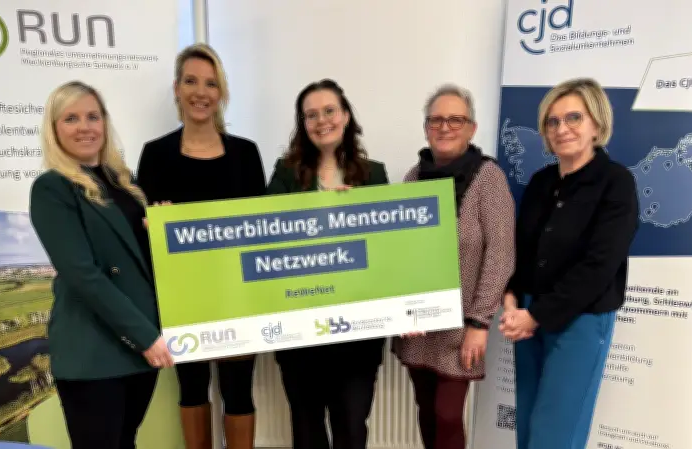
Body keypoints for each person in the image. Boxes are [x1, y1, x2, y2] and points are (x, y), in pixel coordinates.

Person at [29, 80, 173, 448]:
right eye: (71, 118)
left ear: (105, 122)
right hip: (94, 350)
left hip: (138, 347)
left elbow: (138, 261)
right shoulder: (52, 188)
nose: (85, 127)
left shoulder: (124, 183)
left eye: (93, 116)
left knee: (126, 441)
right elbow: (83, 275)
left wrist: (162, 230)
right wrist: (144, 336)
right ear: (54, 128)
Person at [135, 43, 265, 449]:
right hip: (182, 299)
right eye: (191, 81)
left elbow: (261, 230)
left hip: (238, 296)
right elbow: (143, 234)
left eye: (211, 83)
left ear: (221, 93)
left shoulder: (246, 154)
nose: (200, 92)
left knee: (238, 392)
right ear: (177, 89)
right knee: (191, 390)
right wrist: (155, 224)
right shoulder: (155, 155)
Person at [500, 77, 639, 449]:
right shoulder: (540, 182)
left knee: (555, 435)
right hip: (527, 317)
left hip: (580, 319)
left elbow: (600, 265)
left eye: (574, 117)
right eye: (553, 121)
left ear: (597, 123)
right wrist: (511, 299)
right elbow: (523, 252)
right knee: (528, 429)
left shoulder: (616, 182)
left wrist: (536, 315)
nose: (562, 128)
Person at [266, 79, 389, 449]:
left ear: (346, 115)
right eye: (311, 115)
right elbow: (266, 238)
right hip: (299, 328)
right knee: (307, 430)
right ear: (303, 124)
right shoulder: (285, 174)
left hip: (358, 332)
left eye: (329, 111)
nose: (322, 121)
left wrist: (358, 218)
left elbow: (389, 249)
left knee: (351, 426)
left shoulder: (374, 175)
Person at [391, 84, 515, 449]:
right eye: (436, 120)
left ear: (471, 128)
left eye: (455, 119)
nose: (444, 127)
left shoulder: (488, 178)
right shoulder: (414, 177)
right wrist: (403, 307)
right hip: (418, 325)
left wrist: (479, 322)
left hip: (462, 326)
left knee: (447, 414)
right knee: (426, 410)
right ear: (426, 128)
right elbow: (400, 250)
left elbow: (501, 253)